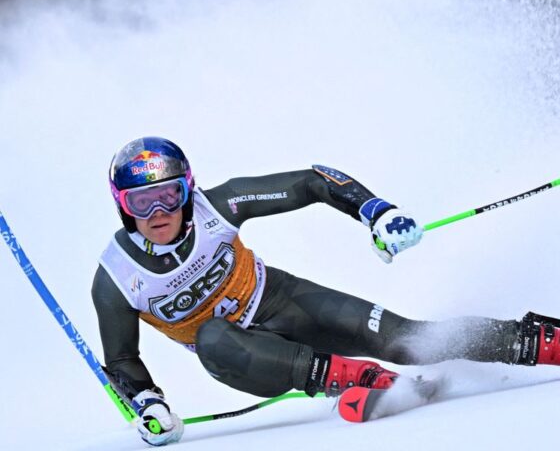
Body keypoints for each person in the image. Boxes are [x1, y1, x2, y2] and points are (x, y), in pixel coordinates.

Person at [93, 136, 560, 447]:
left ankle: (541, 342)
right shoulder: (117, 276)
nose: (157, 212)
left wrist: (376, 211)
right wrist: (148, 404)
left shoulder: (217, 205)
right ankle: (361, 379)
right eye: (140, 202)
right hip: (242, 357)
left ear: (188, 191)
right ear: (122, 207)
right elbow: (122, 360)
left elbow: (312, 180)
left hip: (282, 300)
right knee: (212, 335)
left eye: (169, 196)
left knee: (408, 340)